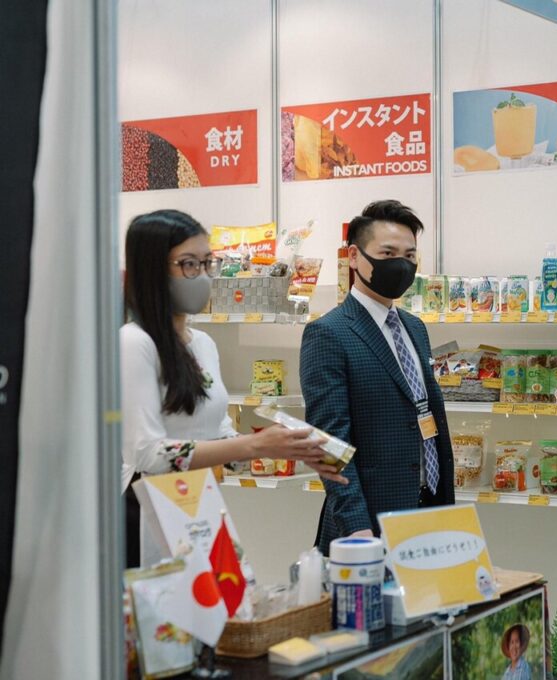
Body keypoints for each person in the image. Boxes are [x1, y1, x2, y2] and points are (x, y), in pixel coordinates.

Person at [120, 209, 342, 567]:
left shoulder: (202, 344)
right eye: (188, 264)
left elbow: (219, 434)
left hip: (197, 505)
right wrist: (254, 445)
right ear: (151, 269)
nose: (203, 275)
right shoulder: (134, 343)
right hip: (147, 513)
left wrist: (288, 447)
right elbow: (148, 453)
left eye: (208, 263)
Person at [301, 200, 455, 552]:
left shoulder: (415, 328)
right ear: (354, 257)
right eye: (387, 253)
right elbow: (329, 442)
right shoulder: (329, 333)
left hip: (428, 508)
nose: (401, 264)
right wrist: (356, 525)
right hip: (368, 522)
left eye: (409, 255)